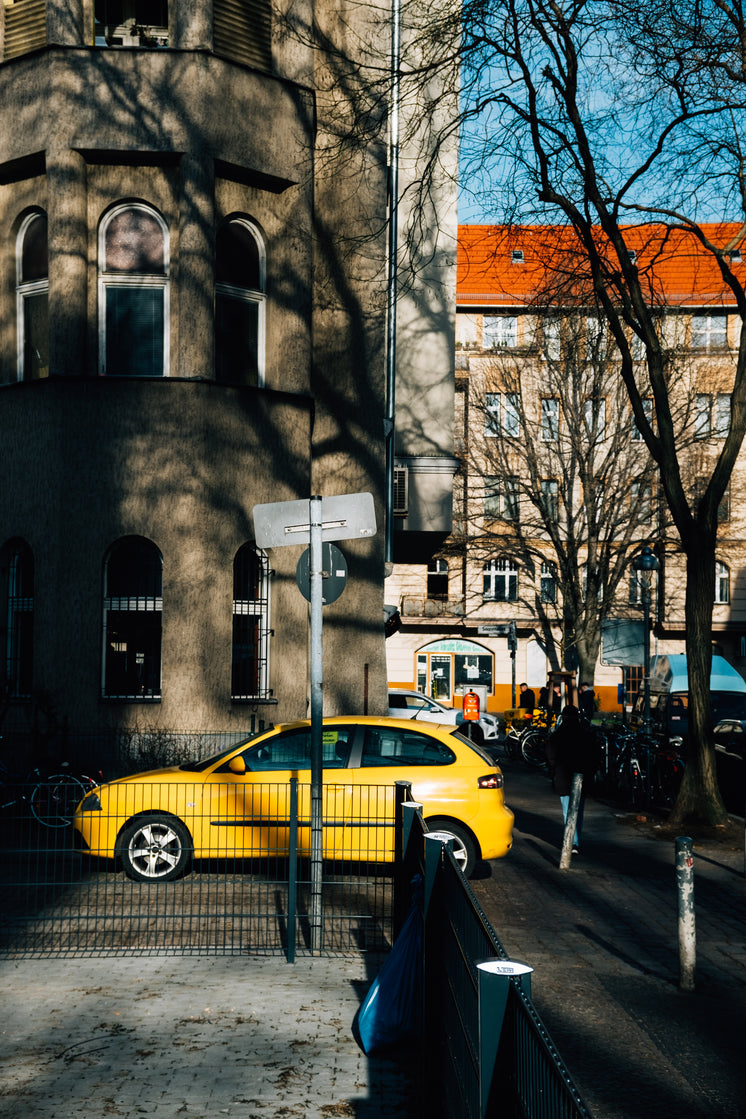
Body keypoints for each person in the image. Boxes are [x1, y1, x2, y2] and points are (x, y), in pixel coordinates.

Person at [545, 705, 599, 854]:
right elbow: (595, 756)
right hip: (582, 777)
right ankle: (575, 841)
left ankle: (571, 841)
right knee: (578, 810)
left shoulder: (557, 735)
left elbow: (550, 755)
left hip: (563, 777)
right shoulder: (586, 734)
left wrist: (554, 768)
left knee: (567, 810)